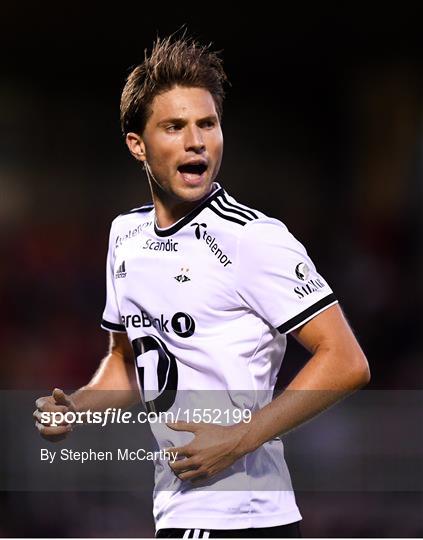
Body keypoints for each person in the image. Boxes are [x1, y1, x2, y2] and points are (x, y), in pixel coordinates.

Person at [34, 34, 370, 538]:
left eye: (207, 124)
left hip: (247, 518)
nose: (197, 141)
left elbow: (346, 360)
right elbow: (128, 362)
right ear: (138, 145)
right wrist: (76, 406)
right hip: (175, 514)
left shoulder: (252, 238)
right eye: (174, 126)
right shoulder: (124, 235)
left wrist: (239, 439)